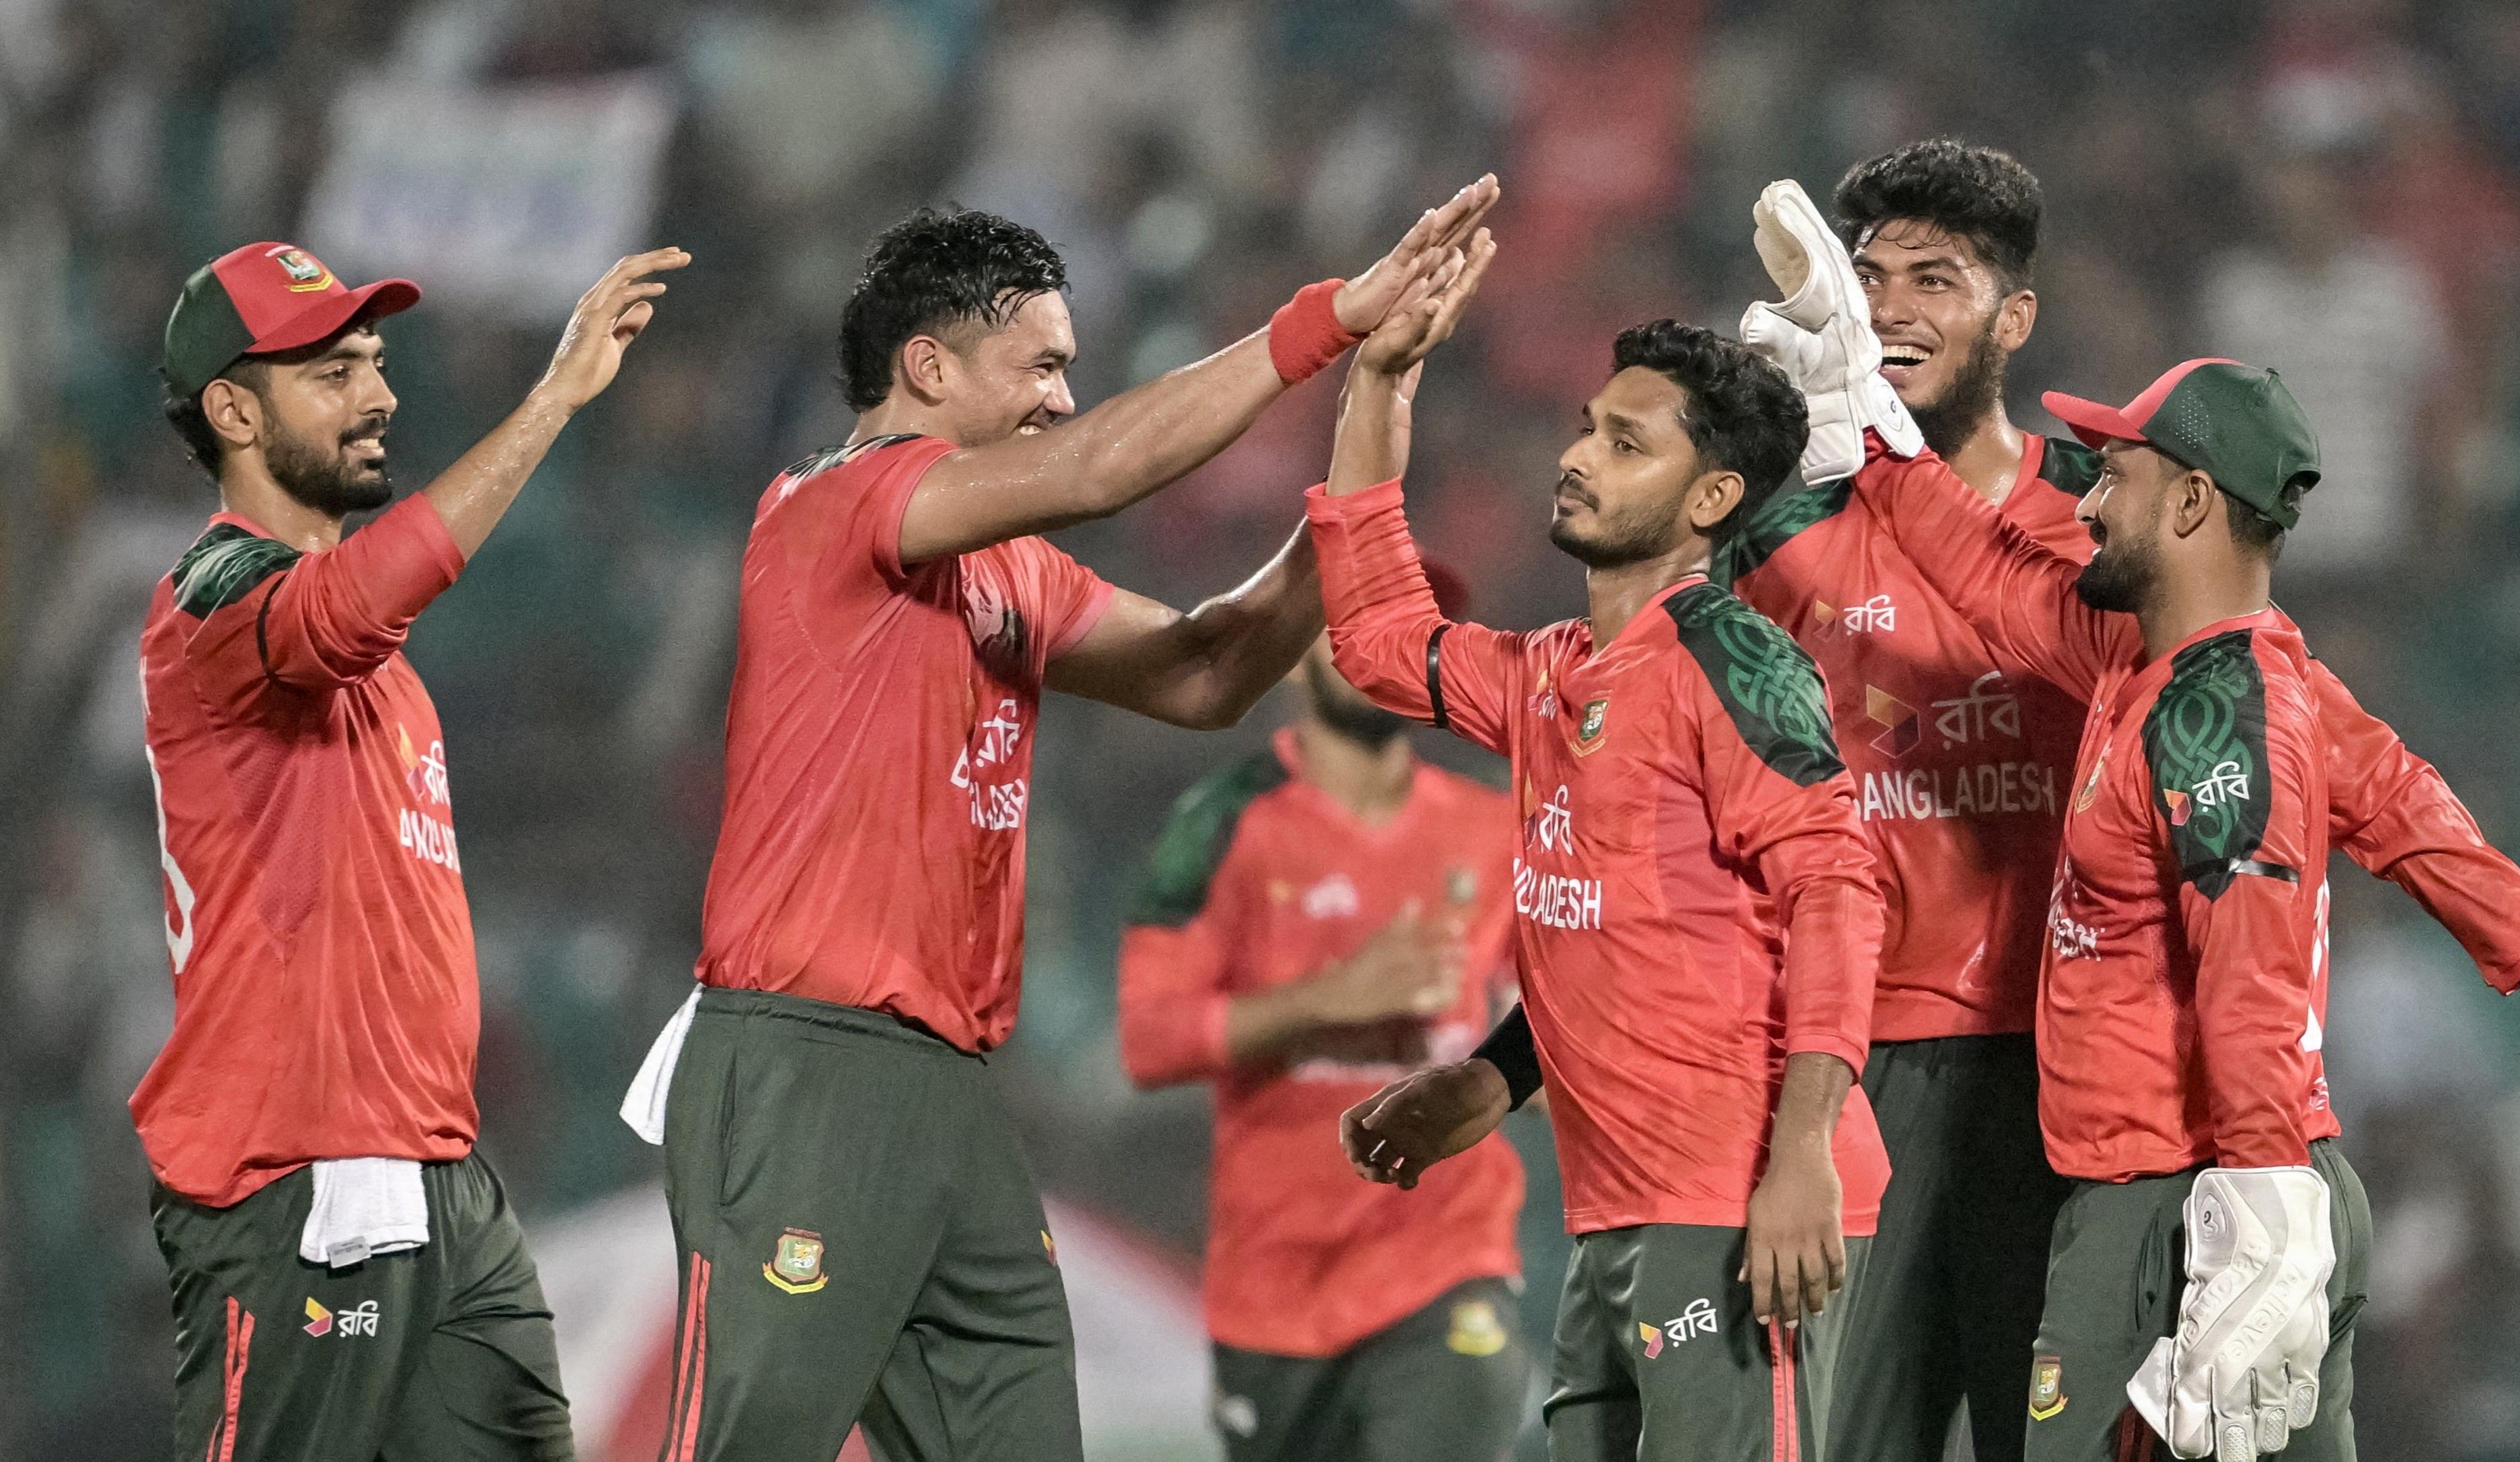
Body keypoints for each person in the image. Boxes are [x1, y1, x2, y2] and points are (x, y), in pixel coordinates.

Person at [617, 180, 1499, 1462]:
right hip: (804, 1060)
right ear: (927, 366)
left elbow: (1207, 671)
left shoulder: (1004, 567)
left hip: (950, 1087)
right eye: (1039, 363)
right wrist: (1327, 325)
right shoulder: (834, 503)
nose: (1061, 396)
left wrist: (1376, 409)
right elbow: (1097, 469)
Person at [1720, 143, 2520, 1462]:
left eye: (2119, 475)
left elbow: (2251, 960)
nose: (2086, 492)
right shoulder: (2152, 660)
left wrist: (2264, 1190)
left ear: (2192, 505)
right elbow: (2409, 808)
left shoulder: (2211, 710)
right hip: (2162, 1166)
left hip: (2184, 1184)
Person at [1315, 246, 1889, 1457]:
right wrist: (1379, 385)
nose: (1578, 457)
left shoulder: (1736, 663)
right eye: (1588, 429)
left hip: (1739, 1202)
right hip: (1617, 1211)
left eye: (1629, 445)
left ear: (1712, 500)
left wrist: (1799, 1166)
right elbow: (1376, 639)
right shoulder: (1550, 674)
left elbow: (1839, 891)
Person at [139, 240, 686, 1461]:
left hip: (440, 1169)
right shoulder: (211, 593)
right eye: (332, 371)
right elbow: (345, 607)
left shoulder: (382, 670)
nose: (380, 395)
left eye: (376, 363)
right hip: (301, 1176)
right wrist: (551, 400)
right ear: (233, 406)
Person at [1118, 562, 1529, 1462]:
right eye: (1351, 625)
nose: (1377, 651)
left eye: (1405, 627)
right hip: (1276, 1288)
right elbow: (1148, 1039)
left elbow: (1555, 1025)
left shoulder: (1498, 829)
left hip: (1446, 1262)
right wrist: (1329, 1000)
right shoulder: (1222, 821)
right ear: (1294, 651)